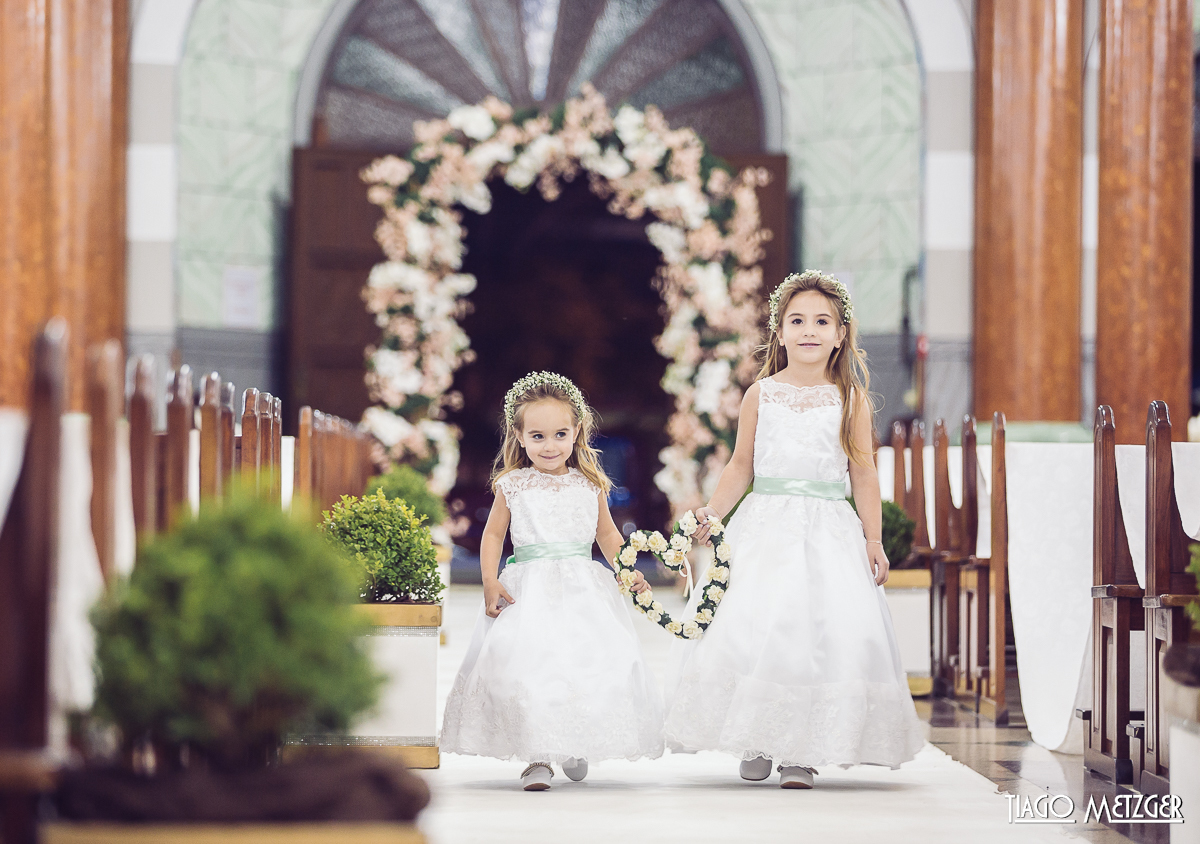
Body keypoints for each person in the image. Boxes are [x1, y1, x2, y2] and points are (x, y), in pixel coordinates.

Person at [663, 270, 925, 788]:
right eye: (797, 321)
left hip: (827, 529)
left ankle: (801, 751)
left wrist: (873, 540)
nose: (809, 330)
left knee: (817, 634)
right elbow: (741, 465)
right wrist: (712, 514)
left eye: (822, 322)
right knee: (759, 628)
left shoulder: (849, 398)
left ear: (841, 334)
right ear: (779, 333)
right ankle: (758, 736)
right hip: (766, 527)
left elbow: (864, 472)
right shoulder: (761, 394)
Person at [440, 372, 663, 790]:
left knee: (583, 665)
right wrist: (490, 581)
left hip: (582, 589)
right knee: (529, 667)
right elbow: (492, 535)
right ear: (520, 437)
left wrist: (627, 569)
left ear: (577, 432)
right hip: (530, 590)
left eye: (560, 434)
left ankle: (575, 740)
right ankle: (537, 756)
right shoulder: (513, 485)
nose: (549, 445)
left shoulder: (590, 484)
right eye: (538, 436)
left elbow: (608, 534)